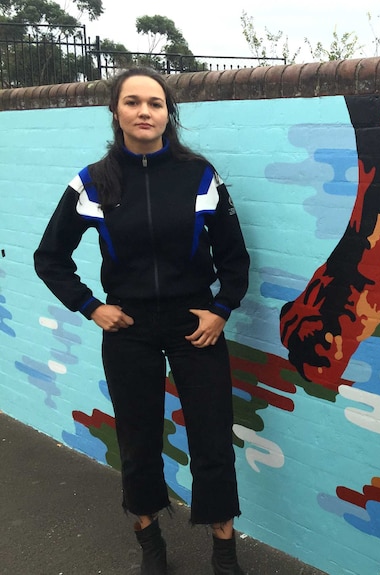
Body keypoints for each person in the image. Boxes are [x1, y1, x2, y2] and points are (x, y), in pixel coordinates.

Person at [33, 67, 250, 575]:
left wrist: (221, 309)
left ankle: (224, 552)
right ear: (116, 111)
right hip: (128, 327)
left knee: (212, 438)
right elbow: (50, 257)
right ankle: (151, 546)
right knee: (137, 439)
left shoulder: (200, 176)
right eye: (133, 102)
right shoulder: (92, 182)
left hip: (195, 324)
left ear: (167, 113)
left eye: (155, 103)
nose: (145, 111)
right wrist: (91, 306)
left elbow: (235, 258)